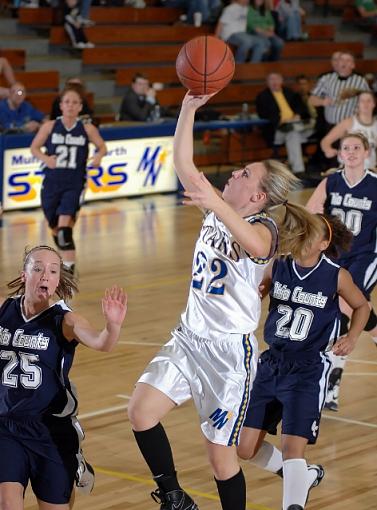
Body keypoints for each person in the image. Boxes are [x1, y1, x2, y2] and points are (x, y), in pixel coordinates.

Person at [127, 89, 327, 510]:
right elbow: (184, 163)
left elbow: (256, 246)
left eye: (244, 174)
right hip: (188, 338)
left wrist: (215, 202)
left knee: (221, 458)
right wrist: (187, 108)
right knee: (141, 412)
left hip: (228, 357)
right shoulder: (215, 209)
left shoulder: (265, 227)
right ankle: (174, 497)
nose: (234, 173)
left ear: (257, 197)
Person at [237, 212, 369, 510]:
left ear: (323, 243)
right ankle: (302, 477)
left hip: (308, 368)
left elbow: (361, 306)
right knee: (245, 450)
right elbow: (255, 297)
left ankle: (294, 497)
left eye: (309, 232)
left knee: (291, 447)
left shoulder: (336, 275)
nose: (300, 234)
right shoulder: (279, 264)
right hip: (271, 364)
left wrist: (353, 337)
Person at [0, 245, 127, 509]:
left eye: (52, 271)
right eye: (37, 268)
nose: (45, 275)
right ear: (24, 275)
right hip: (6, 427)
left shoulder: (66, 320)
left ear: (58, 280)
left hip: (50, 431)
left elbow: (101, 343)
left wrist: (112, 326)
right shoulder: (4, 310)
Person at [307, 132, 377, 411]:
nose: (350, 152)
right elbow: (312, 212)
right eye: (345, 148)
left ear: (367, 152)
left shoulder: (374, 185)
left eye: (356, 147)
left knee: (347, 303)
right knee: (346, 307)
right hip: (337, 255)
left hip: (367, 255)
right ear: (339, 154)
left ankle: (332, 385)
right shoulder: (331, 181)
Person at [30, 87, 107, 274]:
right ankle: (66, 263)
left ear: (80, 107)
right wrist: (46, 159)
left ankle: (68, 276)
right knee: (56, 230)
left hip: (74, 183)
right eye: (67, 102)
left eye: (74, 102)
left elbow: (102, 147)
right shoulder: (49, 126)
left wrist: (98, 157)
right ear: (61, 105)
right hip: (51, 184)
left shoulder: (87, 128)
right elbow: (34, 148)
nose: (70, 106)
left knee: (65, 231)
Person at [256, 72, 313, 174]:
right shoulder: (263, 96)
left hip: (295, 125)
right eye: (271, 80)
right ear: (267, 83)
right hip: (277, 130)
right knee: (293, 134)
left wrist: (297, 115)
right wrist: (282, 120)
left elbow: (302, 109)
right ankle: (298, 170)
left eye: (277, 79)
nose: (274, 82)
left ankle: (298, 169)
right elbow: (263, 114)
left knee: (296, 132)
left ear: (281, 81)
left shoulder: (289, 93)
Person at [308, 52, 370, 131]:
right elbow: (311, 99)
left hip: (351, 127)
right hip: (331, 126)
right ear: (337, 63)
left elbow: (369, 102)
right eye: (341, 60)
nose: (344, 62)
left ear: (353, 65)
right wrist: (323, 101)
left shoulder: (360, 81)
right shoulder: (326, 78)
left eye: (348, 60)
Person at [320, 91, 377, 170]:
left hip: (370, 170)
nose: (365, 104)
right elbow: (326, 141)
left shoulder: (375, 124)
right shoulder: (349, 122)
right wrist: (328, 150)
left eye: (368, 101)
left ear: (374, 104)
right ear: (358, 104)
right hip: (349, 170)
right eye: (362, 101)